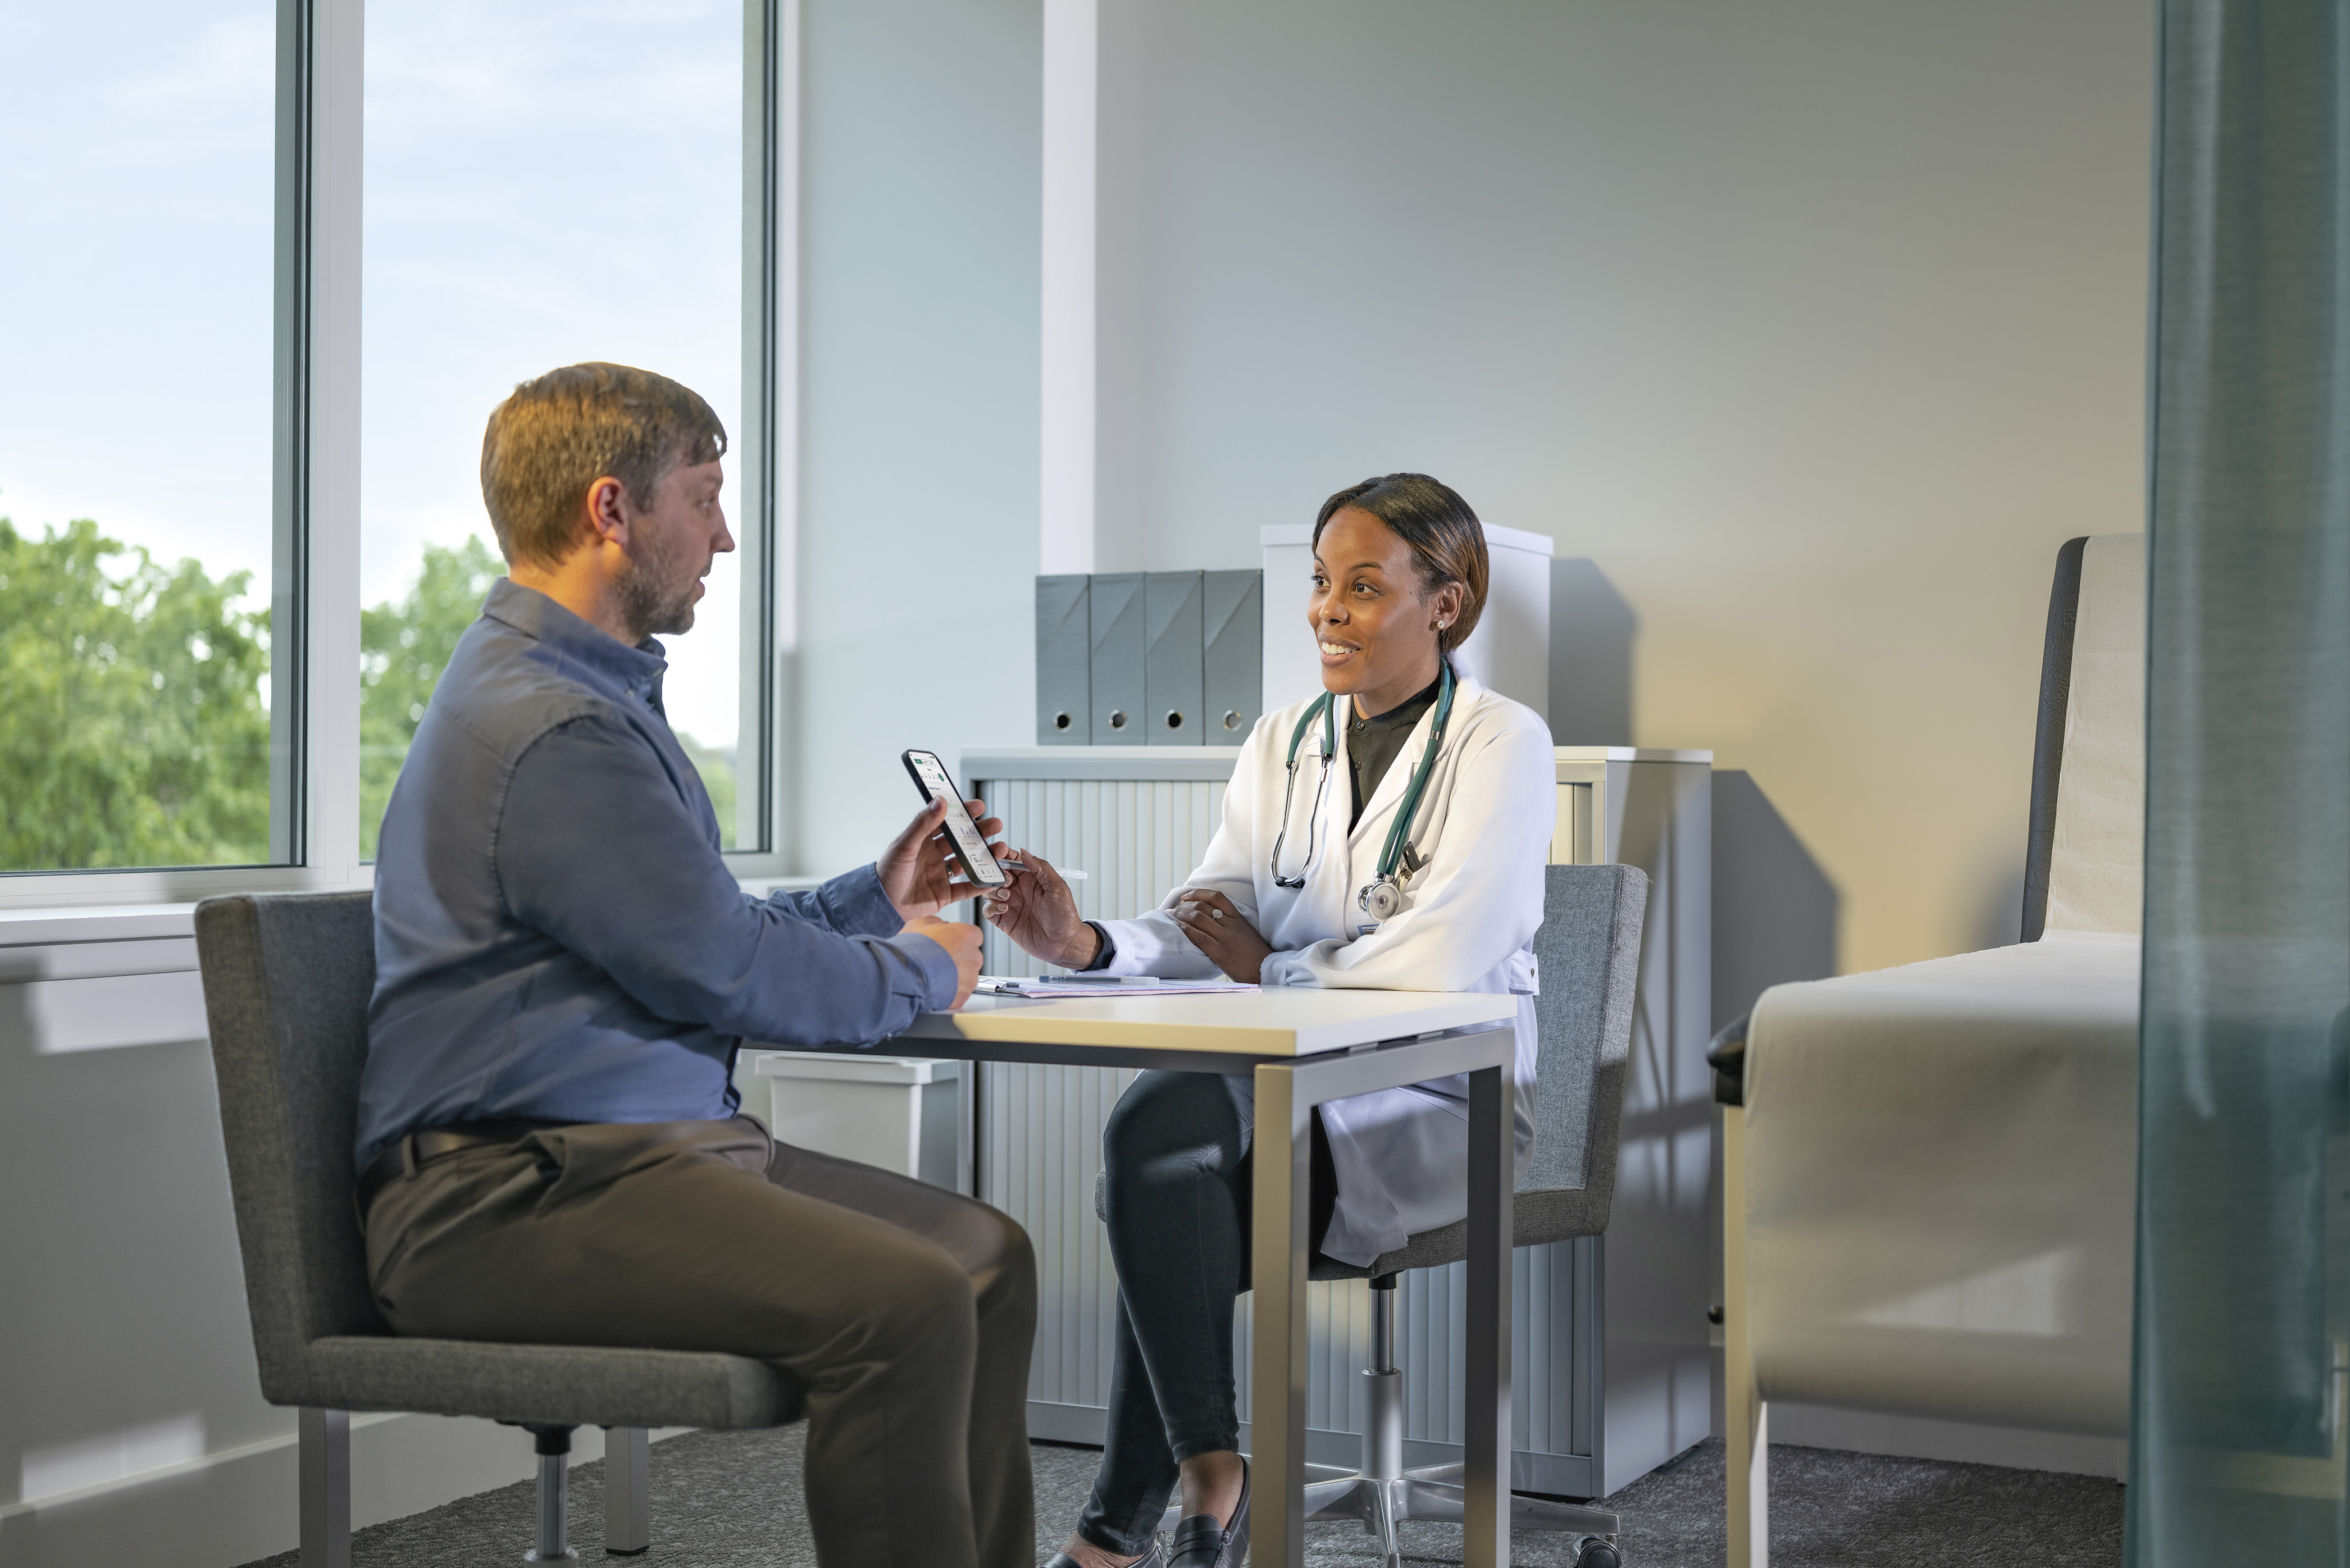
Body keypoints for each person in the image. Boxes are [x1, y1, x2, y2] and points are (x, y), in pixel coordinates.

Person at [354, 361, 1035, 1568]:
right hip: (509, 1196)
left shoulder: (584, 696)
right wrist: (924, 967)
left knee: (983, 1259)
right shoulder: (550, 727)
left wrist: (874, 904)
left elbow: (686, 924)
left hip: (640, 1159)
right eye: (706, 498)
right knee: (907, 1301)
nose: (723, 536)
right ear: (611, 512)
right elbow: (723, 972)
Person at [985, 473, 1557, 1568]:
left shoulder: (1500, 742)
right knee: (1159, 1154)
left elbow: (1443, 951)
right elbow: (1213, 911)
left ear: (1445, 602)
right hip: (1290, 1080)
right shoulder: (1284, 738)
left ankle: (1131, 1523)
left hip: (1440, 1096)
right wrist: (1088, 944)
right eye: (1317, 584)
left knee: (1158, 1176)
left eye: (1360, 586)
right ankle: (1201, 1488)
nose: (1324, 611)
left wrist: (1278, 972)